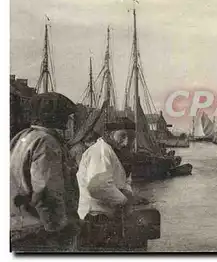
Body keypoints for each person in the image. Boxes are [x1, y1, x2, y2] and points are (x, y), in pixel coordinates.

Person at [10, 92, 80, 252]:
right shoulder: (47, 142)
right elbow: (47, 191)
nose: (68, 121)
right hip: (39, 232)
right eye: (66, 116)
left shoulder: (22, 138)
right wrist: (58, 229)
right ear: (56, 117)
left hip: (18, 227)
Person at [76, 117, 136, 249]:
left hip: (103, 216)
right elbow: (98, 186)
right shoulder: (101, 152)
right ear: (109, 134)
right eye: (122, 136)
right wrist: (124, 200)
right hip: (95, 217)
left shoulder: (112, 151)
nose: (126, 142)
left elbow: (124, 180)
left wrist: (126, 191)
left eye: (130, 138)